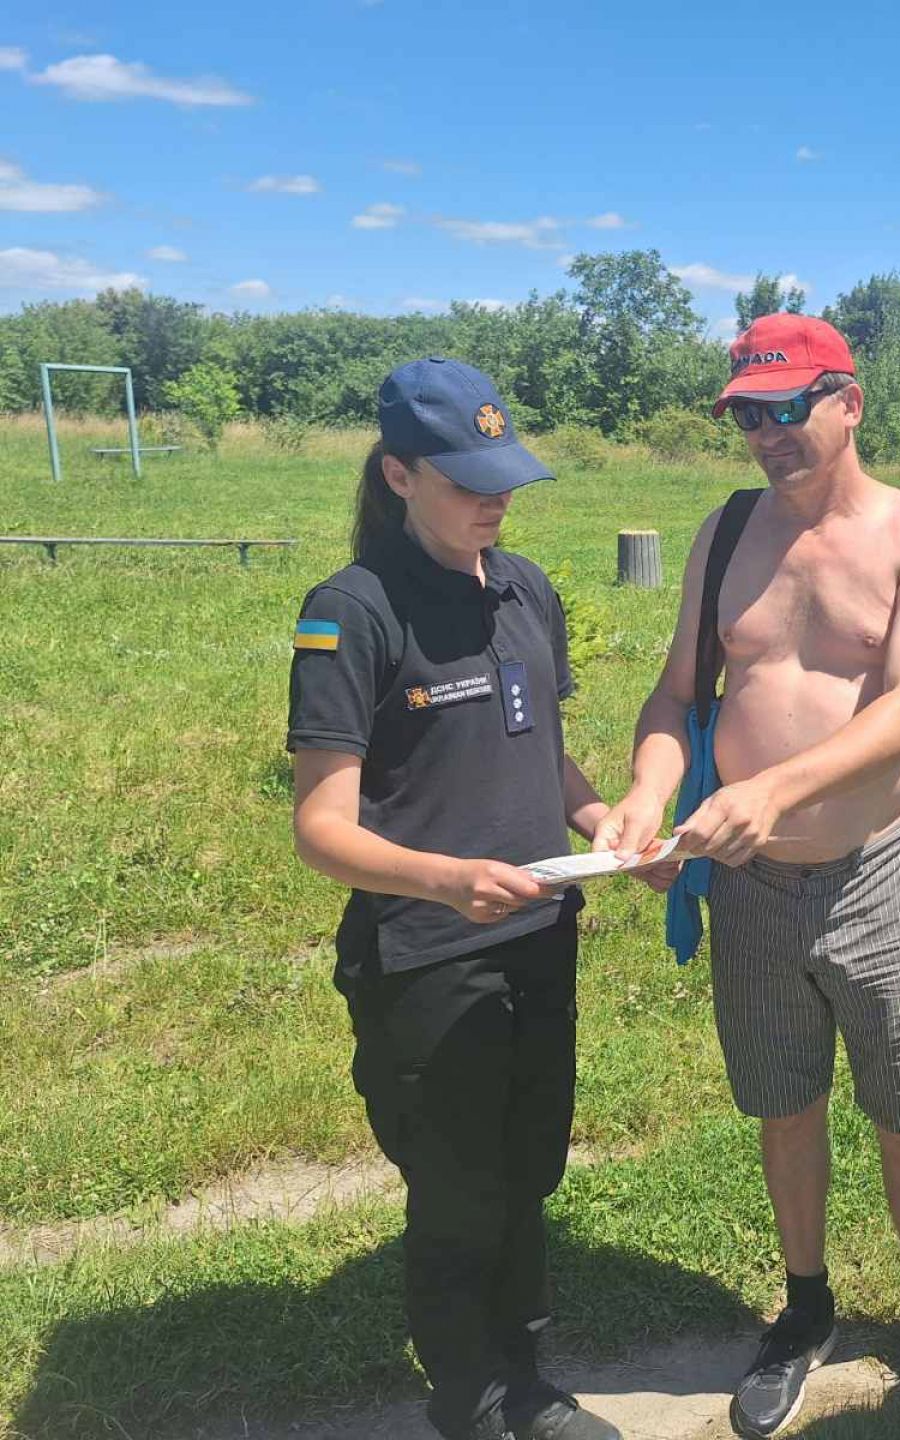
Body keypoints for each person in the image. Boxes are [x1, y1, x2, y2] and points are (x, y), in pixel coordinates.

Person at [594, 313, 900, 1437]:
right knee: (784, 1101)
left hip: (879, 870)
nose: (768, 434)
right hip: (752, 883)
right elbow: (678, 693)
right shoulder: (727, 534)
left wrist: (769, 791)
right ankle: (806, 1306)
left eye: (788, 409)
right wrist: (647, 788)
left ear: (849, 403)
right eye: (747, 418)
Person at [288, 358, 620, 1440]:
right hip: (429, 951)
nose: (496, 498)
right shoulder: (352, 611)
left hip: (540, 932)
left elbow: (540, 750)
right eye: (469, 480)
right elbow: (322, 829)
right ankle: (469, 1392)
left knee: (528, 1167)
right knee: (458, 1184)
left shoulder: (525, 588)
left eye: (505, 476)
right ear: (399, 475)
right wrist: (447, 880)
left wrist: (603, 823)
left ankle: (526, 1373)